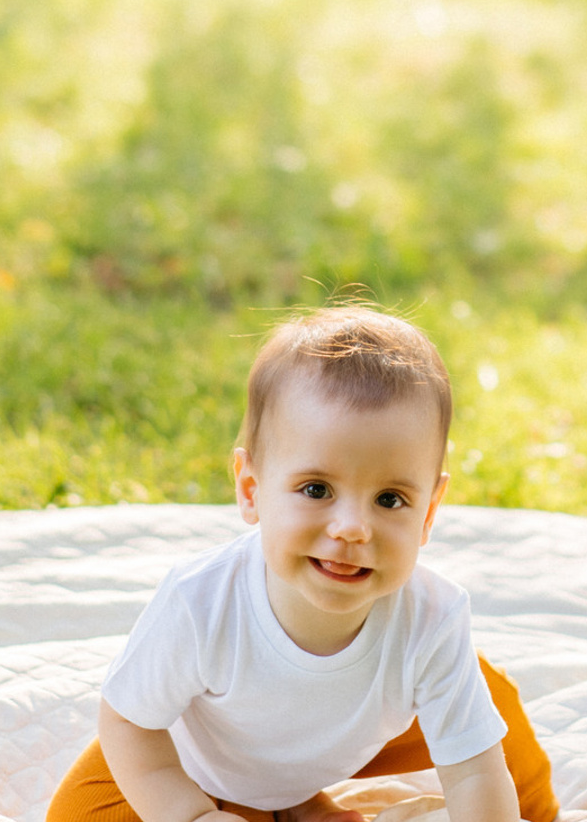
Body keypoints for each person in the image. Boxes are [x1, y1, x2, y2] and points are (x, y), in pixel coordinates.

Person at [45, 307, 557, 822]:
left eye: (390, 499)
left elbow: (472, 771)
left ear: (429, 512)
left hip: (358, 735)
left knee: (490, 720)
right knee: (78, 815)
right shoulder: (200, 603)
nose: (352, 527)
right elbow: (128, 721)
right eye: (317, 490)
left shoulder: (433, 618)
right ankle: (269, 806)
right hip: (194, 759)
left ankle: (295, 801)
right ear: (251, 490)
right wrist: (188, 815)